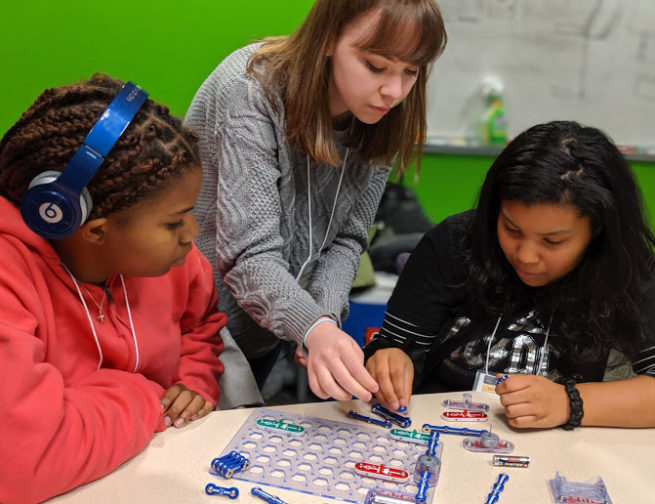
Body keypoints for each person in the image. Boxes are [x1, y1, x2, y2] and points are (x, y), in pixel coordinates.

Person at [185, 0, 447, 401]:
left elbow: (348, 239)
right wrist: (313, 327)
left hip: (268, 329)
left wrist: (321, 319)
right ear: (327, 38)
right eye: (376, 66)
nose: (394, 91)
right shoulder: (249, 88)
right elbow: (248, 255)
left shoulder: (384, 110)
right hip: (194, 330)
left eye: (411, 72)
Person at [0, 74, 225, 503]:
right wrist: (141, 393)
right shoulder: (8, 276)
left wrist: (194, 378)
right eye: (173, 222)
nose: (192, 233)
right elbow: (21, 463)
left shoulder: (179, 263)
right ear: (95, 231)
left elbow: (202, 327)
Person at [364, 120, 655, 429]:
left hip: (555, 449)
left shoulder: (627, 266)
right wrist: (388, 359)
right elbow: (395, 349)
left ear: (597, 230)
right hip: (437, 431)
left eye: (552, 241)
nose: (526, 256)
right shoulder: (452, 244)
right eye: (511, 229)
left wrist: (569, 402)